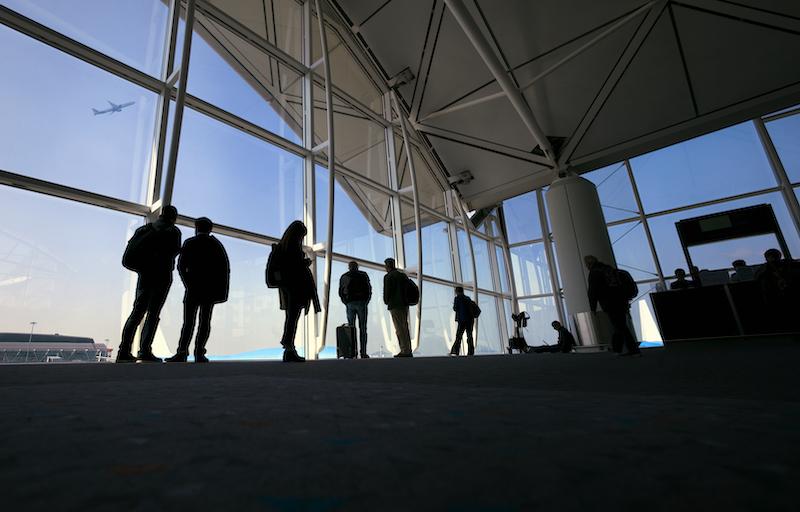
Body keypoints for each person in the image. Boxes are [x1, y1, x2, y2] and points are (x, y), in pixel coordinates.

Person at [118, 205, 182, 363]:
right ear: (173, 217)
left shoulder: (145, 229)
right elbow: (174, 251)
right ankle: (144, 350)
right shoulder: (173, 231)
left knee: (136, 313)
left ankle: (123, 350)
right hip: (161, 276)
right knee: (153, 314)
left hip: (145, 276)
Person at [166, 217, 230, 363]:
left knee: (188, 322)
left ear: (196, 228)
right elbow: (223, 270)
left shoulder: (190, 243)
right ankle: (199, 352)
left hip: (193, 289)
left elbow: (181, 266)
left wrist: (188, 283)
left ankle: (182, 352)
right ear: (210, 229)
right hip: (210, 290)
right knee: (205, 321)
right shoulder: (216, 245)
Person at [266, 221, 320, 362]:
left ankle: (289, 347)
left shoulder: (282, 248)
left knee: (291, 318)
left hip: (288, 288)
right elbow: (292, 267)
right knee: (292, 319)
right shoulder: (292, 248)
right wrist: (304, 263)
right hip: (295, 288)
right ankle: (289, 347)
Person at [585, 255, 641, 356]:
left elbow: (592, 292)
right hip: (621, 301)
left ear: (589, 264)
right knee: (619, 325)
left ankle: (632, 350)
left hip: (609, 303)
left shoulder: (595, 272)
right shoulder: (609, 269)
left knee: (620, 326)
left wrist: (593, 307)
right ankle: (618, 348)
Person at [755, 248, 800, 332]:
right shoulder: (787, 264)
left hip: (780, 295)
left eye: (774, 256)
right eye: (771, 257)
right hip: (780, 294)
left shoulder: (786, 264)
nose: (773, 259)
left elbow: (757, 277)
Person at [339, 261, 372, 358]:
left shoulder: (344, 276)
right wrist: (366, 300)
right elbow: (368, 289)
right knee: (363, 328)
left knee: (351, 329)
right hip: (361, 303)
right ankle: (363, 352)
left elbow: (341, 292)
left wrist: (346, 302)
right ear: (357, 267)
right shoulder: (363, 275)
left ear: (349, 267)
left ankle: (352, 352)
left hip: (350, 303)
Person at [383, 258, 413, 357]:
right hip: (404, 304)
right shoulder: (402, 275)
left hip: (395, 305)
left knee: (399, 328)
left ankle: (404, 350)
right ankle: (408, 349)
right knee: (405, 327)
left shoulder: (388, 276)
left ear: (388, 266)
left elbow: (387, 292)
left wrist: (386, 301)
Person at [449, 286, 476, 356]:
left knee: (459, 336)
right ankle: (471, 352)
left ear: (457, 291)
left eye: (455, 291)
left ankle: (456, 351)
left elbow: (455, 308)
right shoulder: (468, 298)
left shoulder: (457, 298)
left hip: (462, 320)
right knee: (469, 336)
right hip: (470, 320)